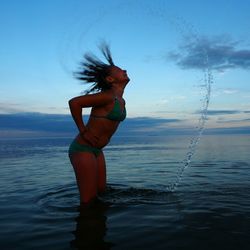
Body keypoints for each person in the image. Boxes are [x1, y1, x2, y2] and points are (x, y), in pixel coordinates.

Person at [68, 44, 130, 204]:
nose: (124, 69)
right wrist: (83, 130)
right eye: (119, 70)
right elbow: (74, 103)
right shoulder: (108, 96)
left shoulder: (120, 100)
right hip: (83, 149)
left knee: (102, 194)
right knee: (88, 201)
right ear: (110, 79)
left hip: (97, 150)